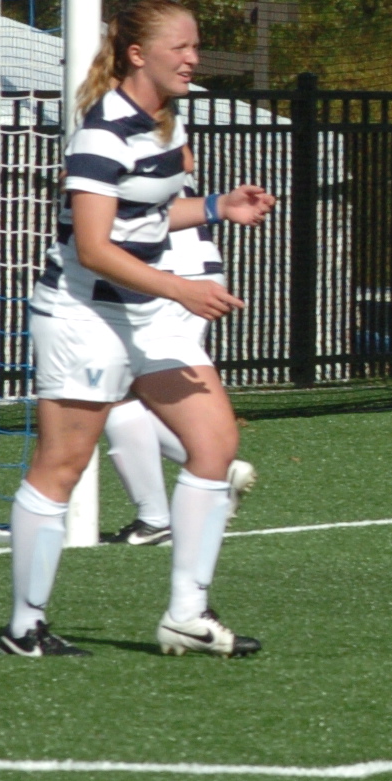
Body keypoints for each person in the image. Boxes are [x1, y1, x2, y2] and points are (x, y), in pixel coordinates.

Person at [2, 0, 276, 657]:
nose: (193, 59)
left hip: (147, 313)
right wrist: (183, 288)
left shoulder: (166, 124)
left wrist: (219, 206)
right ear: (136, 54)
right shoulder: (101, 134)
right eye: (180, 48)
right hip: (84, 316)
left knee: (215, 445)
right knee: (61, 466)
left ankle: (187, 615)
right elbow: (94, 247)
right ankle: (24, 626)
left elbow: (147, 218)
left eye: (195, 46)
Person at [98, 170, 259, 546]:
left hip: (163, 277)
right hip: (183, 272)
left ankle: (159, 518)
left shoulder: (119, 141)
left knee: (111, 391)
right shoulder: (152, 142)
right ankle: (207, 475)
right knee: (118, 392)